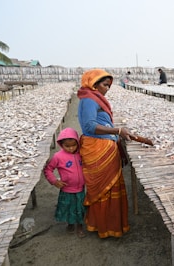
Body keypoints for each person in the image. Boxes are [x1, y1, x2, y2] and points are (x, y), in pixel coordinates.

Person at [77, 68, 135, 238]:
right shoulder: (88, 100)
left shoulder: (93, 98)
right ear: (93, 84)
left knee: (111, 187)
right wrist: (117, 130)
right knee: (104, 189)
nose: (107, 88)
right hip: (98, 147)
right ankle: (104, 225)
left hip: (104, 146)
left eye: (109, 85)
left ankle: (111, 224)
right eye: (104, 85)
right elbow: (89, 126)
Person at [43, 127, 86, 238]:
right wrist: (54, 181)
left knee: (79, 208)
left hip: (81, 188)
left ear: (77, 142)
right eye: (67, 146)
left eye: (73, 145)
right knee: (68, 207)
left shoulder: (81, 153)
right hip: (67, 189)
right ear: (62, 144)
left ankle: (80, 226)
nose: (71, 148)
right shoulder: (58, 156)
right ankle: (70, 224)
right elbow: (48, 169)